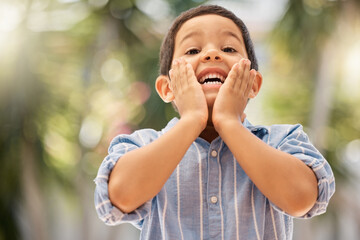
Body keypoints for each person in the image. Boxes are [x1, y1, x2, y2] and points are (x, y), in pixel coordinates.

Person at [94, 5, 335, 240]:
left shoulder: (282, 141)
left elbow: (302, 199)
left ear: (253, 84)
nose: (211, 54)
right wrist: (191, 120)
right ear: (168, 88)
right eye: (192, 51)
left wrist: (228, 122)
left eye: (229, 48)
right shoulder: (142, 145)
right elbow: (119, 197)